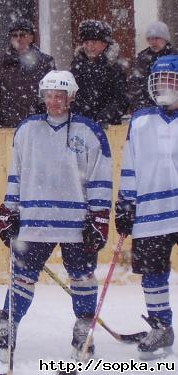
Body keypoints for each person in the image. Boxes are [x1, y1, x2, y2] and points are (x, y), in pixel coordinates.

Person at [0, 70, 113, 361]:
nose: (54, 101)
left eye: (60, 95)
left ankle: (83, 333)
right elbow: (17, 175)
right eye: (49, 95)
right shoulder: (27, 129)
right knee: (21, 277)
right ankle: (6, 332)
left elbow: (100, 178)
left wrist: (99, 217)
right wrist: (9, 209)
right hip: (34, 220)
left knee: (83, 277)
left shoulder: (89, 131)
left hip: (77, 223)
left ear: (71, 97)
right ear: (42, 96)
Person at [115, 55, 178, 360]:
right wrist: (126, 203)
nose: (165, 86)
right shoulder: (140, 121)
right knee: (153, 275)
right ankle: (161, 327)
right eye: (160, 80)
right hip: (151, 213)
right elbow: (130, 165)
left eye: (171, 80)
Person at [0, 18, 55, 130]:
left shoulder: (45, 62)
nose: (18, 39)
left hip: (38, 124)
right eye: (14, 35)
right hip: (9, 125)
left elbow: (52, 93)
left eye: (23, 35)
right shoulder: (0, 62)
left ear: (31, 37)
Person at [70, 20, 129, 128]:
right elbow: (71, 95)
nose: (89, 47)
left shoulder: (114, 67)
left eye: (93, 42)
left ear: (104, 44)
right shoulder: (76, 65)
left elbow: (121, 99)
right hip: (80, 125)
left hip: (107, 127)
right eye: (86, 43)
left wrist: (104, 117)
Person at [128, 21, 177, 112]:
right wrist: (141, 106)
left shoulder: (175, 57)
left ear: (165, 39)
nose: (153, 42)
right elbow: (134, 85)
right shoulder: (141, 59)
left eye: (156, 38)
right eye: (149, 39)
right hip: (147, 109)